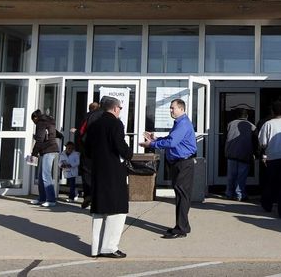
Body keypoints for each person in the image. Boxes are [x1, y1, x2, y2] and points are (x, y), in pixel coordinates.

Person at [140, 98, 197, 239]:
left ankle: (181, 229)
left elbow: (172, 142)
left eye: (173, 108)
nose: (171, 110)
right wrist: (156, 139)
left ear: (182, 109)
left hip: (183, 163)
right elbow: (171, 139)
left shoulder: (183, 123)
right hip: (179, 163)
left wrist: (151, 145)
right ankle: (181, 226)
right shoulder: (179, 123)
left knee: (182, 196)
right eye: (170, 108)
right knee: (180, 195)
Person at [84, 96, 132, 258]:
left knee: (99, 211)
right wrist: (129, 153)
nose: (120, 111)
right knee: (117, 210)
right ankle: (109, 247)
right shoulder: (115, 123)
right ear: (115, 108)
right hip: (113, 171)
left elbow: (87, 148)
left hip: (97, 170)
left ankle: (95, 248)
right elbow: (120, 146)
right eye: (120, 108)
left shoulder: (94, 124)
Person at [30, 109, 60, 208]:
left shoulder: (41, 123)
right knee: (41, 176)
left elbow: (40, 139)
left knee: (46, 175)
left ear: (35, 118)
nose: (34, 123)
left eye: (33, 121)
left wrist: (33, 154)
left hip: (49, 149)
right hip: (48, 149)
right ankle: (42, 198)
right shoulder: (48, 121)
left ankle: (51, 200)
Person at [224, 109, 256, 201]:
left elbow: (225, 137)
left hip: (231, 152)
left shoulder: (230, 124)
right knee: (241, 176)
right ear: (247, 116)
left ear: (237, 116)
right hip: (245, 154)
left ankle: (229, 193)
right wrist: (256, 153)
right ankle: (239, 194)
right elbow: (255, 141)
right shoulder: (252, 126)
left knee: (231, 175)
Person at [77, 102, 101, 209]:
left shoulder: (87, 117)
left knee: (86, 173)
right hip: (99, 150)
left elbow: (81, 133)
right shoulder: (103, 116)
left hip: (87, 150)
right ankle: (96, 197)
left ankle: (88, 195)